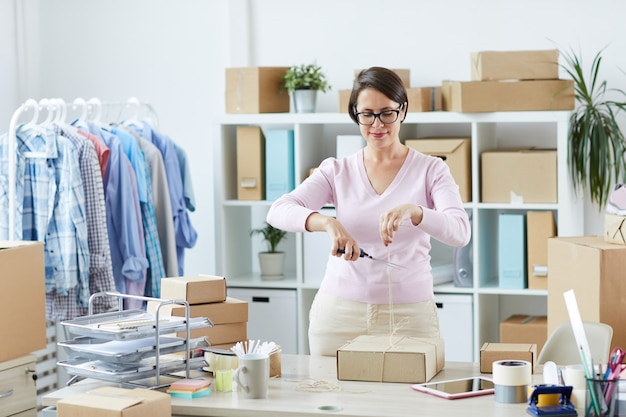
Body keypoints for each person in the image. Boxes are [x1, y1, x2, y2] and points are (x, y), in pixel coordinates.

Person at [266, 66, 471, 356]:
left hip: (409, 317)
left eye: (387, 113)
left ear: (403, 111)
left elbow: (460, 231)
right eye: (367, 114)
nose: (378, 124)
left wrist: (416, 212)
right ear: (355, 114)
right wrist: (326, 222)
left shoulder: (430, 169)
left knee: (410, 400)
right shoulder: (336, 170)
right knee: (333, 398)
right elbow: (278, 210)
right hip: (338, 315)